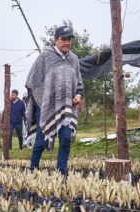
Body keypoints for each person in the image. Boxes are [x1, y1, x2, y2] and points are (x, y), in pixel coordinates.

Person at [25, 25, 83, 176]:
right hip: (44, 106)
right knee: (41, 142)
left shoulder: (74, 59)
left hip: (66, 107)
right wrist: (43, 100)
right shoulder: (46, 56)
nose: (66, 42)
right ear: (56, 40)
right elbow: (33, 81)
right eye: (63, 39)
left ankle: (61, 173)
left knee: (65, 140)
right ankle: (32, 170)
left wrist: (78, 94)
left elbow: (79, 83)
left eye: (69, 39)